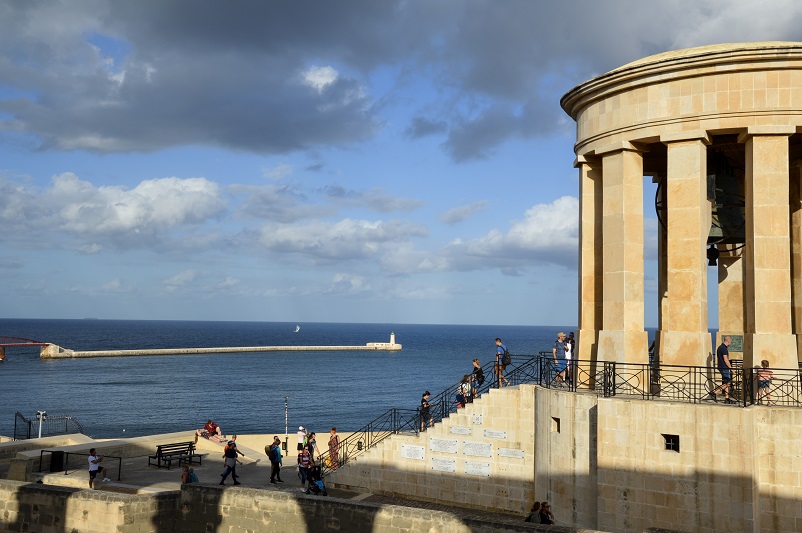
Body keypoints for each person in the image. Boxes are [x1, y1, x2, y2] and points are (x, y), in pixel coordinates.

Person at [709, 336, 735, 404]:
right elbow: (726, 360)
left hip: (721, 367)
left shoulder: (720, 347)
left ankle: (727, 398)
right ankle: (714, 392)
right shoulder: (724, 349)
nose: (731, 342)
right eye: (730, 341)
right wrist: (731, 369)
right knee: (728, 383)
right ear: (728, 341)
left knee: (726, 382)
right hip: (724, 367)